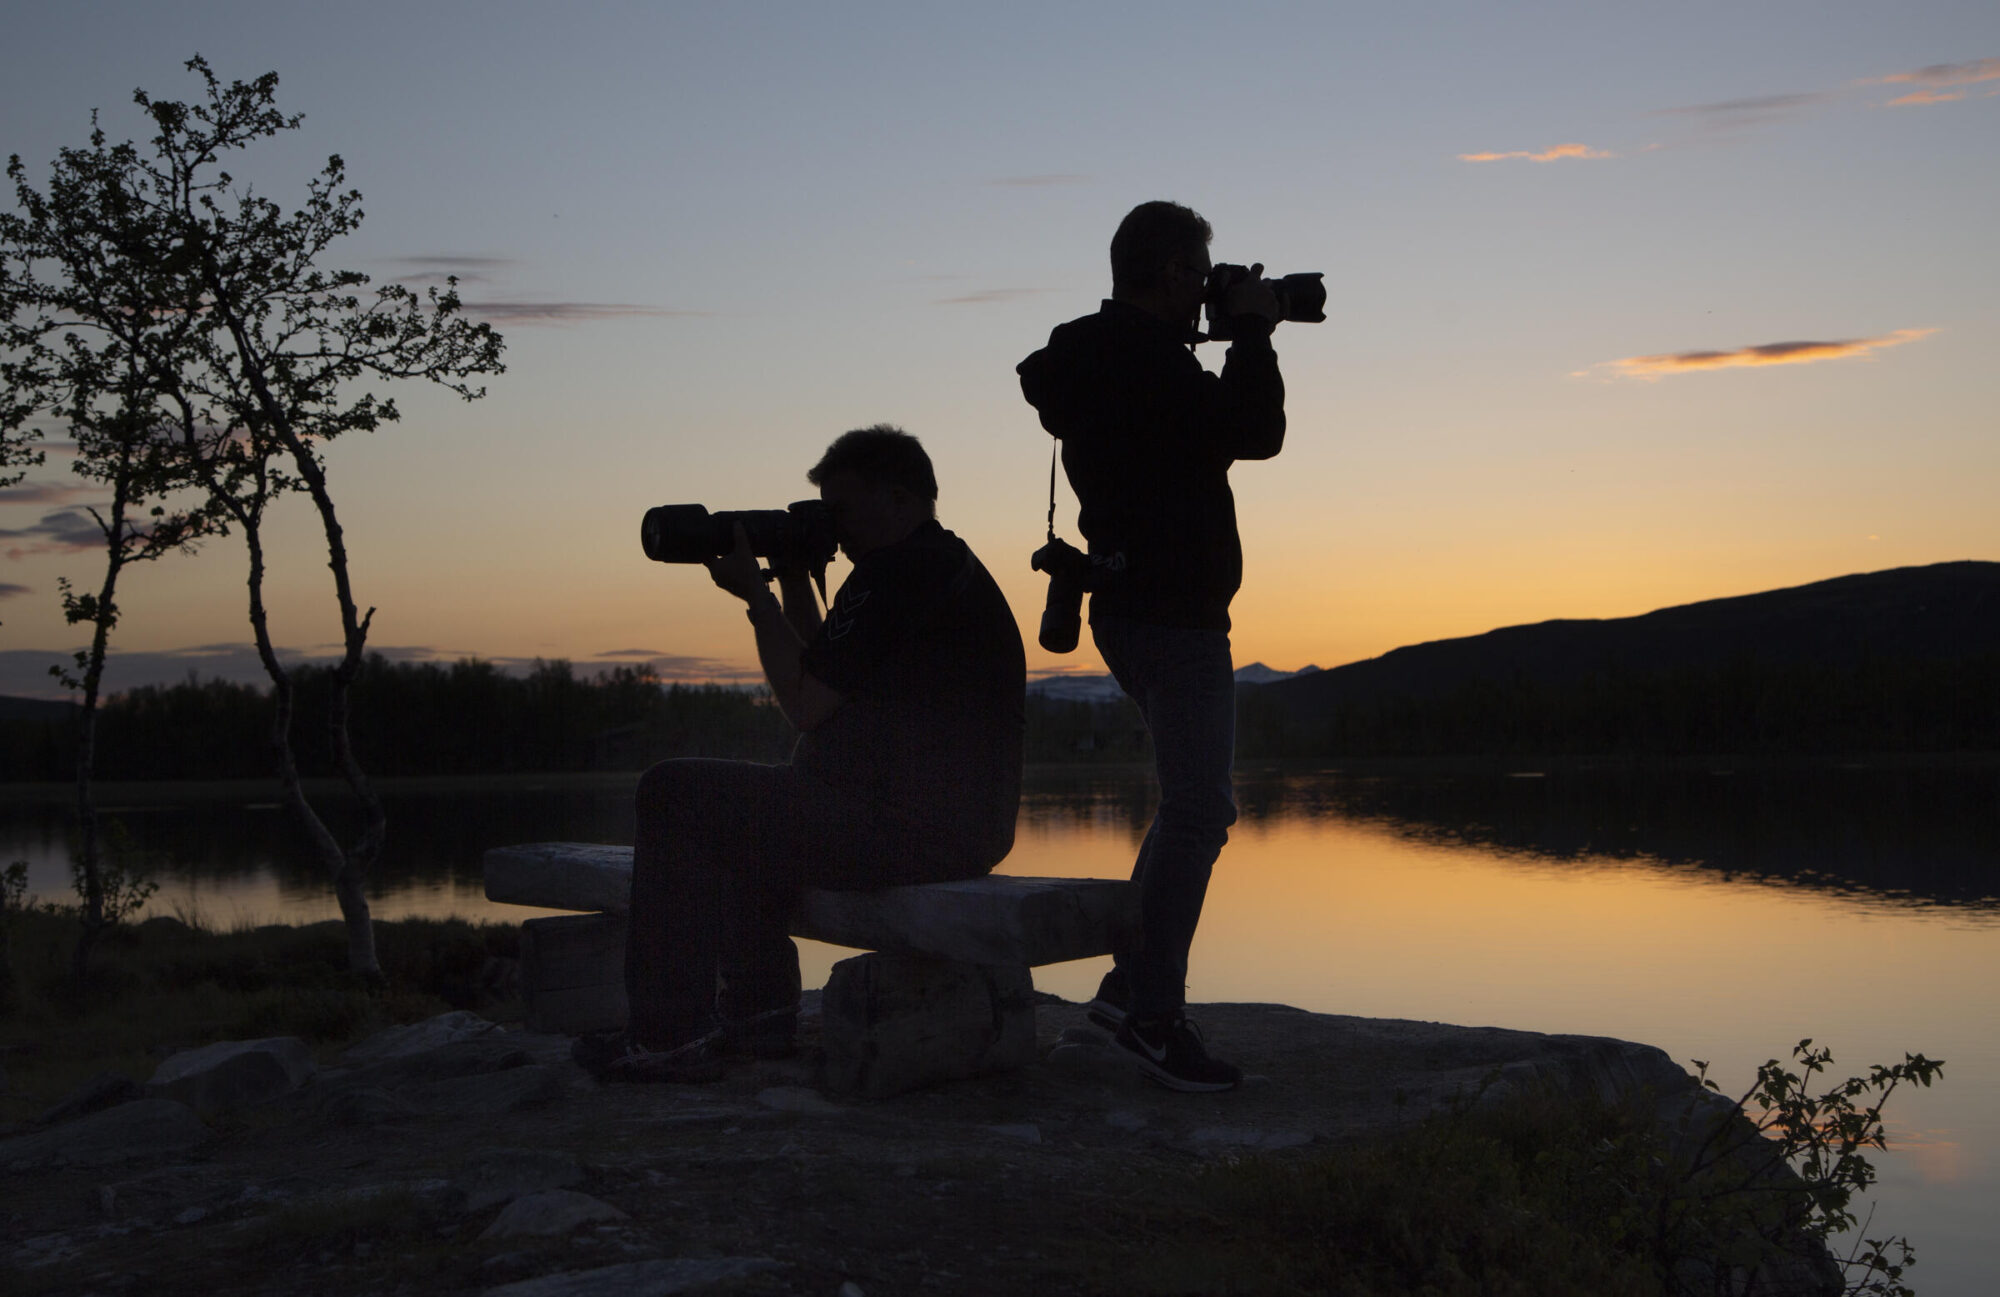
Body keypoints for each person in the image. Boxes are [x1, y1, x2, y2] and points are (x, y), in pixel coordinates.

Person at [592, 425, 1026, 1081]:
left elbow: (803, 704)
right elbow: (825, 669)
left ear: (898, 498)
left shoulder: (895, 573)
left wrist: (757, 597)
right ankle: (757, 1020)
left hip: (908, 828)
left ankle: (667, 1036)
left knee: (673, 792)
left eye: (841, 509)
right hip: (949, 826)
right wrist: (795, 575)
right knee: (744, 813)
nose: (834, 528)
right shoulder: (935, 566)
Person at [1016, 201, 1287, 1091]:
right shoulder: (1150, 362)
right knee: (1201, 809)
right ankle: (1152, 1018)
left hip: (1130, 605)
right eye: (1201, 274)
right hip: (1174, 614)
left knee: (1186, 805)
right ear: (1173, 272)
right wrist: (1253, 333)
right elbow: (1257, 432)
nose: (1207, 290)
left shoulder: (1099, 357)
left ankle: (1131, 985)